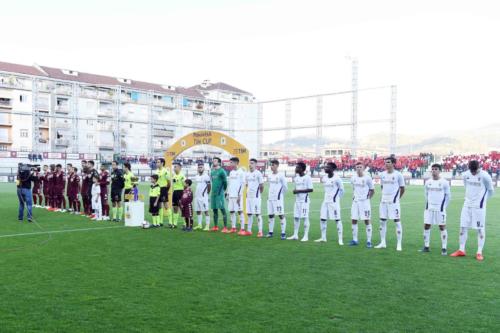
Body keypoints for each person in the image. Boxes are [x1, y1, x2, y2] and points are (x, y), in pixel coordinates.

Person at [451, 160, 494, 261]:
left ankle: (479, 252)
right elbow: (467, 187)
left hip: (479, 208)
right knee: (463, 227)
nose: (473, 172)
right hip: (467, 205)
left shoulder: (485, 176)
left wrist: (483, 202)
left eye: (475, 170)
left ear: (479, 167)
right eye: (471, 170)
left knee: (480, 229)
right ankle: (461, 250)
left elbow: (491, 190)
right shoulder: (465, 175)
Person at [375, 157, 405, 251]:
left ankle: (399, 244)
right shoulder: (382, 174)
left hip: (394, 202)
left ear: (393, 164)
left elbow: (402, 188)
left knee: (397, 221)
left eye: (388, 162)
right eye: (385, 162)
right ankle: (383, 242)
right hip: (383, 201)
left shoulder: (398, 175)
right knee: (382, 221)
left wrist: (396, 199)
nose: (386, 164)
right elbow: (382, 187)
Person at [421, 164, 450, 255]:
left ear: (440, 171)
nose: (434, 171)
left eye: (436, 169)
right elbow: (426, 194)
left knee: (442, 227)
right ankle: (426, 246)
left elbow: (448, 196)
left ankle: (444, 248)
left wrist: (443, 207)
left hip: (440, 208)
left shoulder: (444, 182)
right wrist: (428, 204)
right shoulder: (428, 182)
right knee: (426, 225)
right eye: (432, 169)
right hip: (429, 208)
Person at [316, 162, 344, 244]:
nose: (325, 168)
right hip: (325, 201)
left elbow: (342, 190)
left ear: (332, 169)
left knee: (337, 219)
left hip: (334, 202)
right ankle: (323, 238)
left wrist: (336, 199)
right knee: (322, 219)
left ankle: (340, 239)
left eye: (327, 167)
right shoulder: (324, 178)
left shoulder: (337, 178)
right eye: (325, 167)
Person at [349, 162, 375, 247]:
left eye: (360, 167)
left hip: (365, 202)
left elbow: (372, 190)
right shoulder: (353, 178)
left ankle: (369, 241)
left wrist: (367, 199)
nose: (359, 168)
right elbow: (354, 188)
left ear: (363, 168)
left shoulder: (367, 178)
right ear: (355, 168)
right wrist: (354, 196)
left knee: (366, 220)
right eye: (357, 167)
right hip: (355, 202)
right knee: (353, 219)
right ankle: (355, 240)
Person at [287, 162, 313, 241]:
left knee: (305, 218)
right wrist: (295, 190)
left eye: (297, 167)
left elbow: (311, 189)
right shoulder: (296, 178)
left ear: (302, 169)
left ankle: (306, 236)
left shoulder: (307, 178)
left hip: (304, 201)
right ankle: (295, 235)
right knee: (296, 217)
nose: (296, 169)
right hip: (297, 201)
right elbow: (296, 188)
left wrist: (298, 191)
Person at [266, 159, 288, 239]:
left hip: (278, 199)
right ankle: (270, 232)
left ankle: (283, 233)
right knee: (270, 215)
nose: (271, 166)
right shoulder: (270, 175)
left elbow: (285, 187)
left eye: (273, 165)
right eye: (271, 165)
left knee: (280, 215)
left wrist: (280, 195)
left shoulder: (281, 175)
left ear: (277, 166)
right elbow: (270, 186)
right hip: (270, 199)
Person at [242, 158, 264, 237]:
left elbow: (261, 185)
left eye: (252, 163)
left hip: (256, 197)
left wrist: (258, 194)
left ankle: (260, 231)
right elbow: (247, 185)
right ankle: (249, 230)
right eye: (249, 163)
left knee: (257, 214)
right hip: (249, 197)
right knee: (249, 213)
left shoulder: (258, 173)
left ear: (255, 164)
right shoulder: (247, 174)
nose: (250, 165)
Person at [227, 157, 245, 234]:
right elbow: (230, 184)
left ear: (236, 163)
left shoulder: (241, 172)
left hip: (237, 196)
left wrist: (239, 195)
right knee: (231, 211)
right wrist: (227, 193)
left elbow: (242, 184)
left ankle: (242, 229)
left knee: (240, 211)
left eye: (231, 162)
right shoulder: (231, 172)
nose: (230, 164)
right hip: (231, 195)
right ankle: (233, 228)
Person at [210, 157, 228, 231]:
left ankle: (225, 227)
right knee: (214, 210)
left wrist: (223, 190)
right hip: (213, 193)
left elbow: (225, 182)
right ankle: (215, 226)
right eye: (213, 160)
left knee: (222, 209)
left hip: (219, 194)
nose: (213, 162)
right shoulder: (212, 172)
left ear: (219, 162)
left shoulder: (222, 171)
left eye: (215, 161)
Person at [193, 163, 211, 231]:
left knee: (206, 211)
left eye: (201, 167)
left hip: (203, 197)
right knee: (198, 211)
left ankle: (207, 225)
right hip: (197, 196)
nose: (200, 168)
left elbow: (209, 186)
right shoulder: (196, 176)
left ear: (203, 168)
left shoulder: (206, 176)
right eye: (199, 167)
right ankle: (199, 225)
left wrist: (206, 194)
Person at [155, 158, 171, 227]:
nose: (157, 163)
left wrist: (166, 190)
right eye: (157, 162)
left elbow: (169, 182)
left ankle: (170, 222)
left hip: (164, 189)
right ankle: (160, 222)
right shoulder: (156, 171)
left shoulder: (166, 171)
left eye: (158, 162)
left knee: (166, 205)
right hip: (157, 189)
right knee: (159, 206)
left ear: (162, 163)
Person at [171, 162, 186, 228]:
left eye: (176, 167)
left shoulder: (182, 176)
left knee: (182, 208)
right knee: (175, 208)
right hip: (175, 192)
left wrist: (183, 194)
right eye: (174, 167)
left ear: (180, 168)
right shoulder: (173, 176)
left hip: (181, 192)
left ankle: (185, 223)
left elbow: (185, 185)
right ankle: (175, 224)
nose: (174, 168)